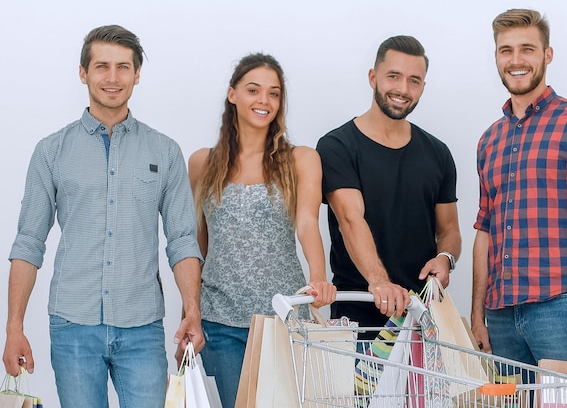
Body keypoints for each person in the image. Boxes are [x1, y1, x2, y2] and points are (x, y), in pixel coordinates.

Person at [2, 25, 205, 407]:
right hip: (72, 325)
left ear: (137, 74)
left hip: (142, 326)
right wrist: (14, 326)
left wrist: (191, 310)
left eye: (123, 67)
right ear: (84, 73)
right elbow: (29, 242)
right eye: (102, 66)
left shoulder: (165, 151)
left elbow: (181, 240)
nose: (113, 78)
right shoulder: (51, 152)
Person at [471, 8, 567, 368]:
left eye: (527, 48)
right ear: (496, 57)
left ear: (547, 55)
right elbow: (485, 229)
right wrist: (477, 313)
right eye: (506, 50)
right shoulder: (489, 140)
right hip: (500, 317)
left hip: (563, 308)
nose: (516, 60)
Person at [188, 52, 336, 408]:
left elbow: (307, 223)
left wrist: (318, 278)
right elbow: (197, 246)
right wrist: (189, 314)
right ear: (232, 94)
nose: (264, 101)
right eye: (253, 90)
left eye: (274, 93)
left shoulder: (300, 159)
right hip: (220, 319)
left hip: (283, 315)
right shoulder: (201, 163)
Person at [316, 35, 462, 337]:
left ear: (423, 87)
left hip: (421, 319)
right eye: (393, 76)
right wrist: (379, 281)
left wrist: (445, 258)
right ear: (373, 77)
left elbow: (448, 229)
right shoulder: (337, 146)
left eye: (414, 81)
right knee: (354, 388)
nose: (402, 89)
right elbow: (349, 218)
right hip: (357, 315)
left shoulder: (438, 153)